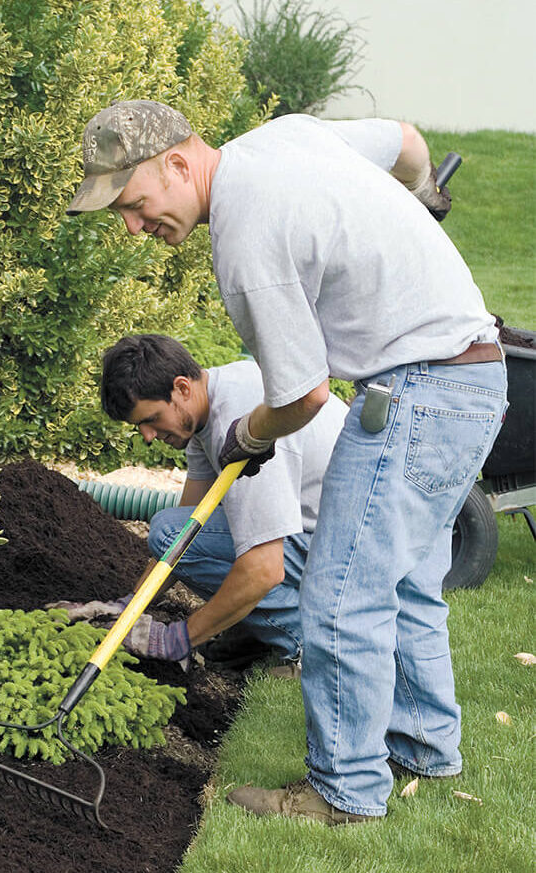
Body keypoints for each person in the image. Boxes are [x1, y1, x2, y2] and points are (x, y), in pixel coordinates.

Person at [66, 101, 507, 826]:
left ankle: (343, 792)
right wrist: (422, 195)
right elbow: (405, 141)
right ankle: (426, 750)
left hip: (416, 390)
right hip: (473, 377)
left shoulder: (243, 236)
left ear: (175, 163)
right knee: (407, 586)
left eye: (134, 204)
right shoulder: (285, 138)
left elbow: (302, 395)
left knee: (339, 597)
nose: (134, 227)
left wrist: (247, 433)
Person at [53, 333, 348, 673]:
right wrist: (130, 606)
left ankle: (311, 644)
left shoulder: (241, 424)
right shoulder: (205, 410)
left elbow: (265, 569)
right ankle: (257, 628)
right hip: (318, 534)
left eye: (151, 419)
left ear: (181, 388)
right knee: (174, 532)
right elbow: (183, 537)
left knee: (170, 532)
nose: (147, 436)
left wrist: (177, 639)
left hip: (342, 552)